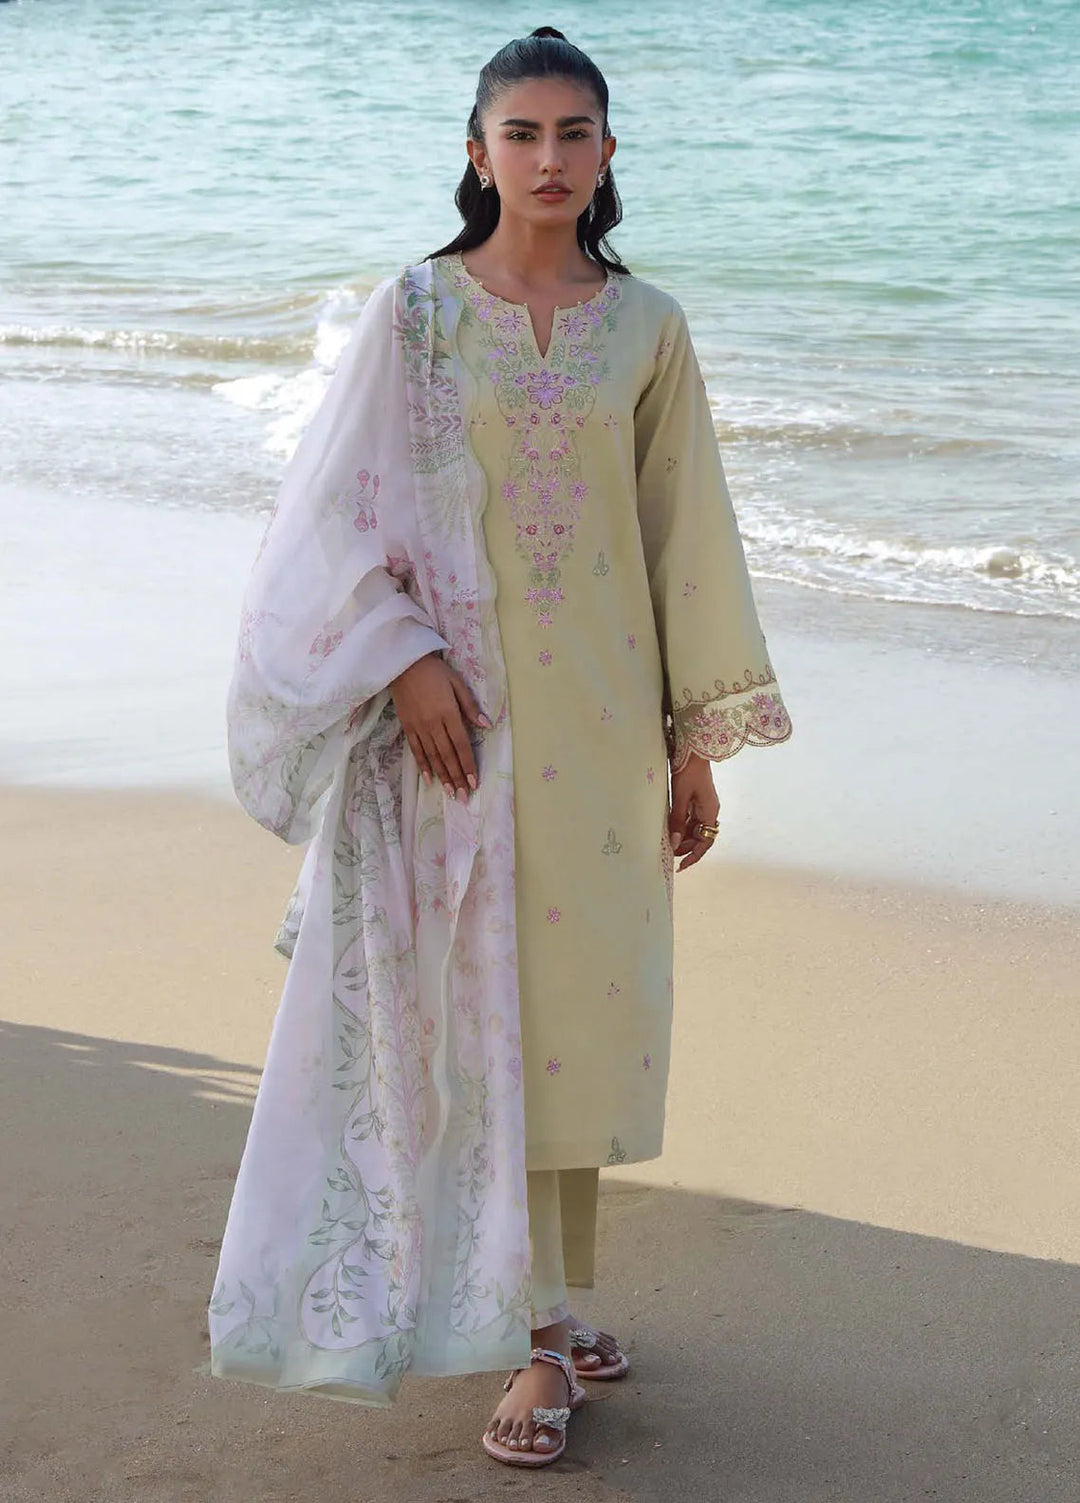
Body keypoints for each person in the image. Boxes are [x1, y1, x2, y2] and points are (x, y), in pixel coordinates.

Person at [207, 25, 792, 1471]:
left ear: (608, 154)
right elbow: (324, 522)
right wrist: (403, 660)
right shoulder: (415, 317)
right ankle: (531, 1332)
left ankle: (546, 1301)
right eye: (520, 134)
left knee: (570, 1019)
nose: (547, 159)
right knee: (470, 1010)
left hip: (603, 731)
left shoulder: (645, 328)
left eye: (573, 133)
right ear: (476, 155)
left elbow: (683, 535)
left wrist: (694, 740)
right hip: (456, 734)